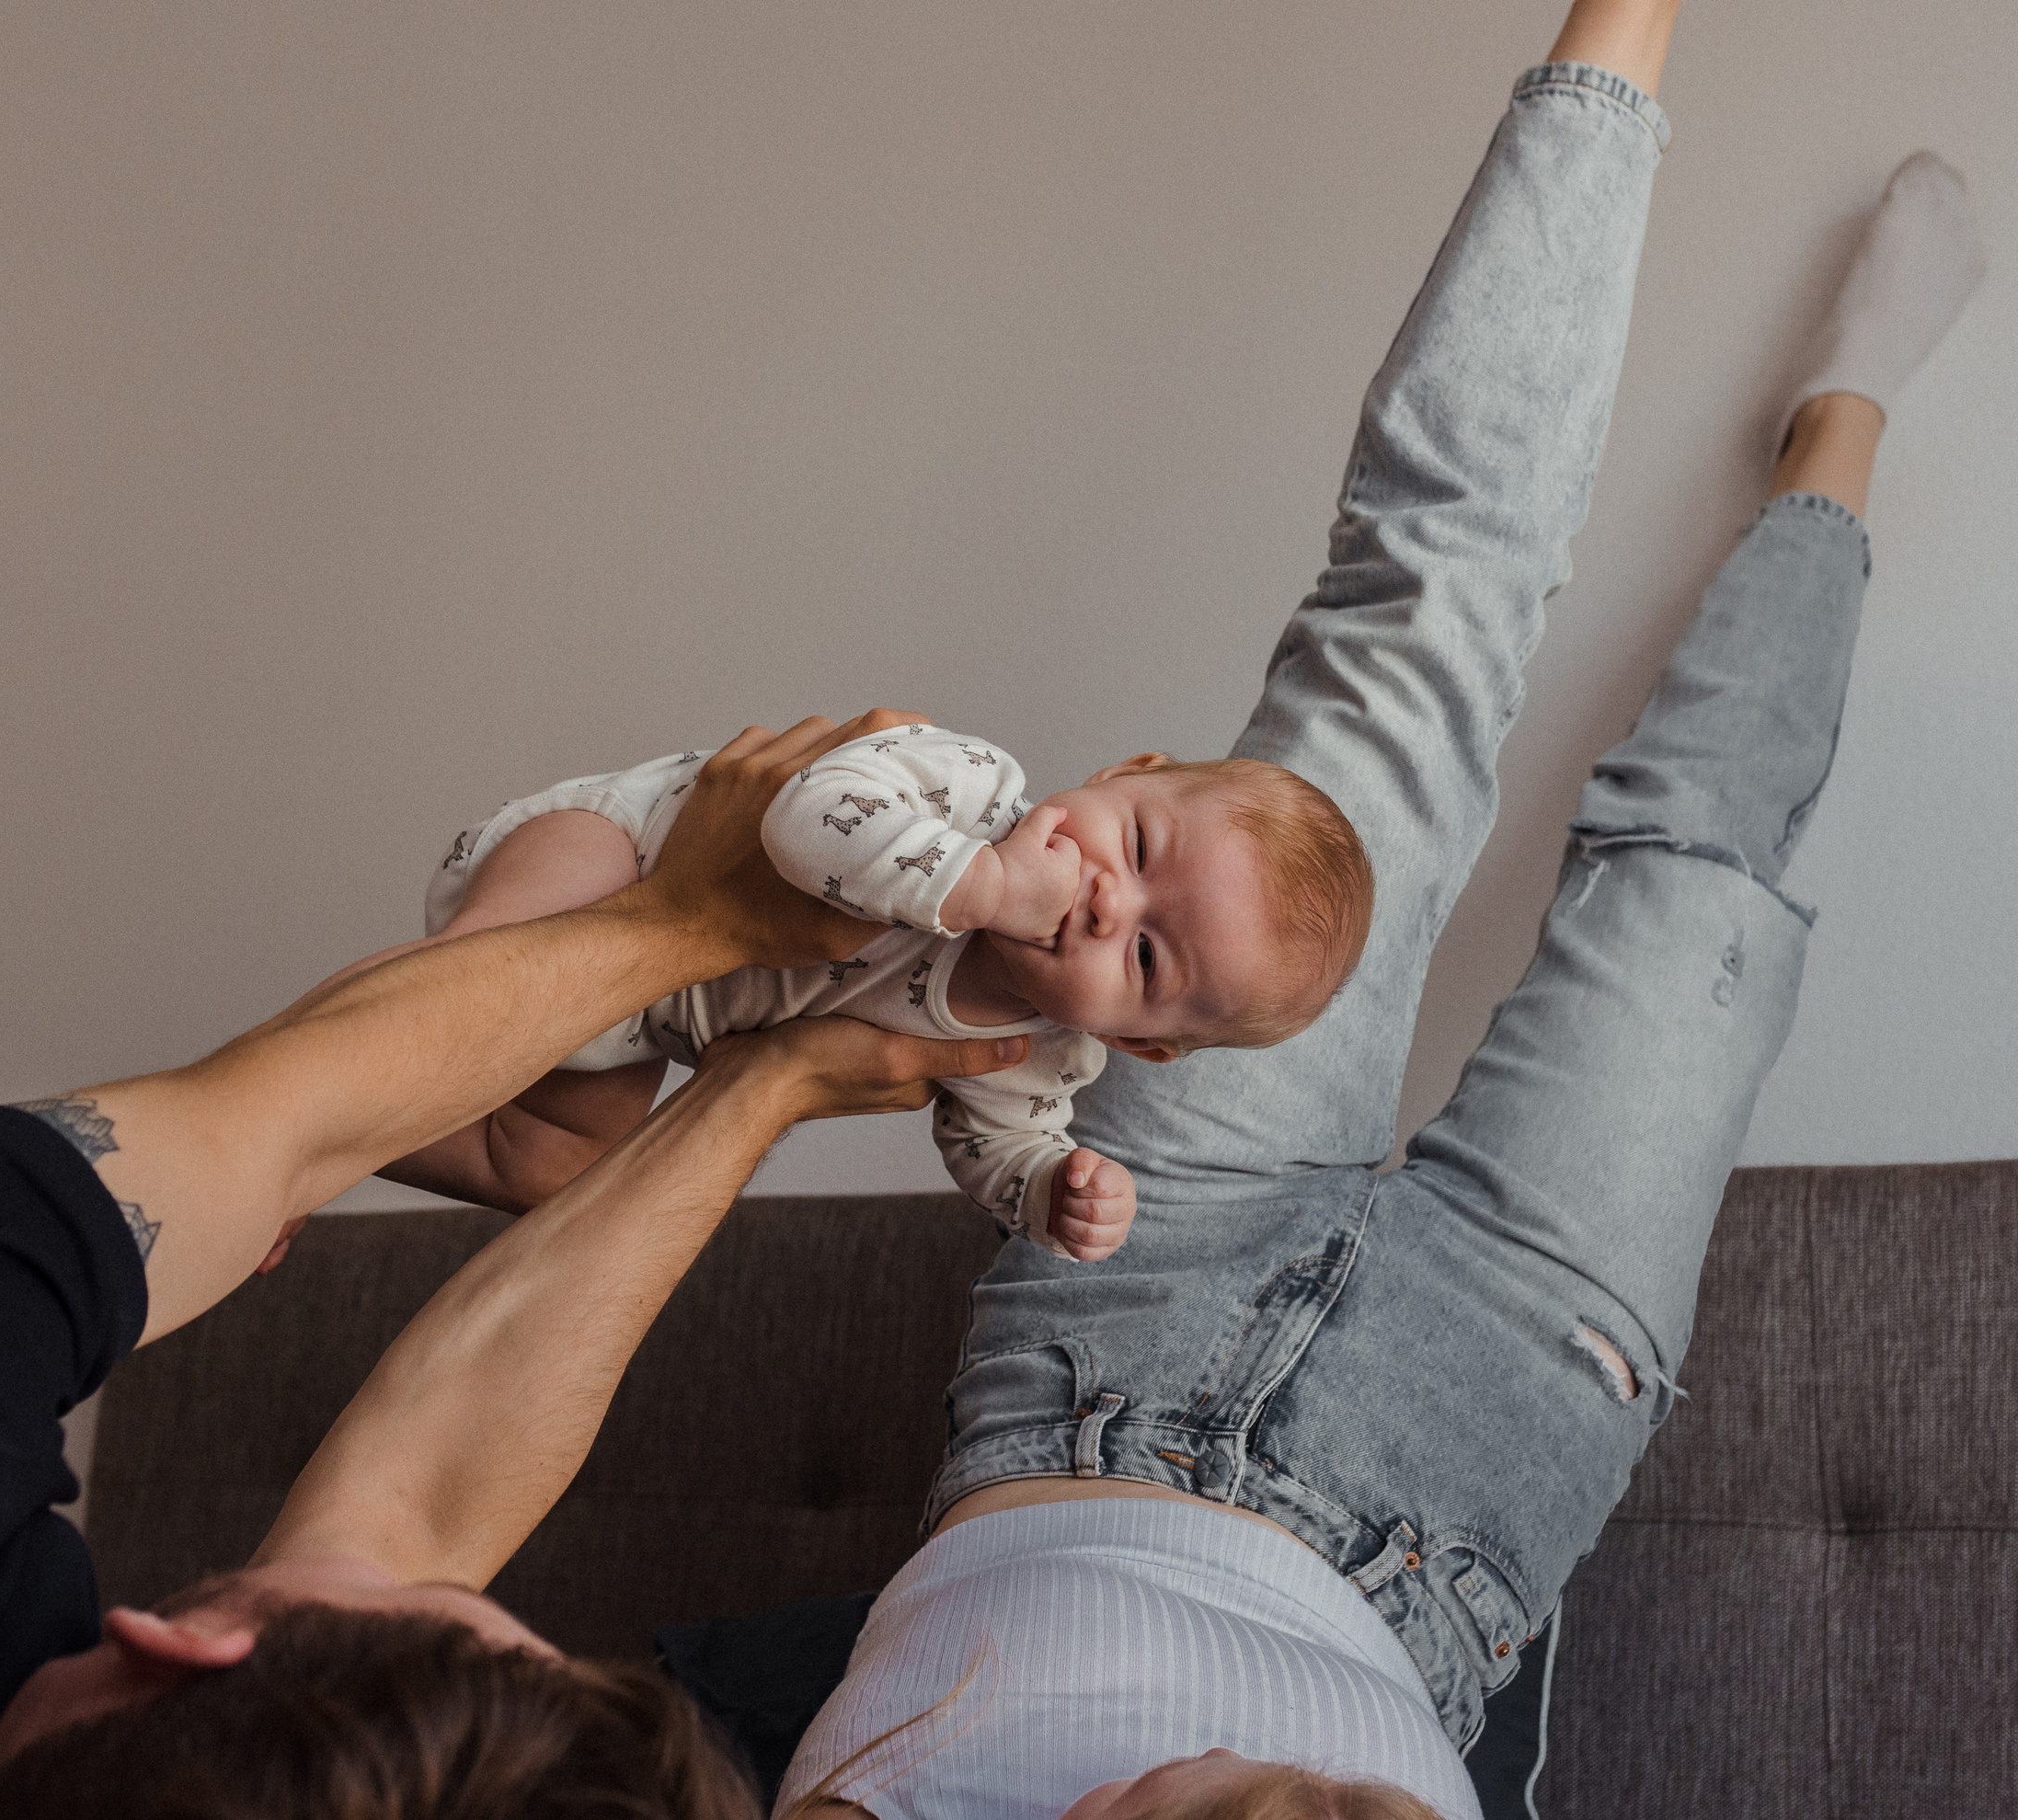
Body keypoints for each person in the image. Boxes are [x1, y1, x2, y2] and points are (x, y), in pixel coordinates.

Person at [779, 2, 1987, 1816]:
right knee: (1688, 872)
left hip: (1121, 1296)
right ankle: (1841, 424)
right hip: (1491, 1414)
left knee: (1410, 623)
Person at [0, 712, 1035, 1820]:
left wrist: (694, 920)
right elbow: (413, 1508)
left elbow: (279, 1122)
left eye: (433, 1599)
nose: (427, 1561)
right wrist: (763, 1082)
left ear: (182, 1644)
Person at [385, 727, 1370, 1259]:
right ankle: (295, 1112)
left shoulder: (1031, 1052)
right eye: (1141, 845)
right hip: (624, 857)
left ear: (1142, 1043)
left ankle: (349, 1132)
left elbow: (990, 1143)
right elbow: (803, 813)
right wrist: (981, 883)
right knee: (457, 1000)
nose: (1112, 901)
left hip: (639, 1016)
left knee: (553, 1173)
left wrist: (1045, 1191)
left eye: (1149, 960)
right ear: (1124, 771)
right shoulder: (973, 790)